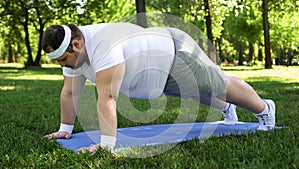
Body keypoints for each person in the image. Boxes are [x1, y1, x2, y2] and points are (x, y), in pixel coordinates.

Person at [42, 22, 275, 154]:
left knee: (219, 85)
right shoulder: (75, 53)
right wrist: (66, 127)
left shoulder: (102, 46)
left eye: (63, 60)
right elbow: (70, 91)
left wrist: (106, 145)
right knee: (197, 93)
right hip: (156, 75)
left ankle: (265, 111)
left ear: (76, 44)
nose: (63, 66)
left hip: (174, 53)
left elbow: (108, 97)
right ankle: (227, 110)